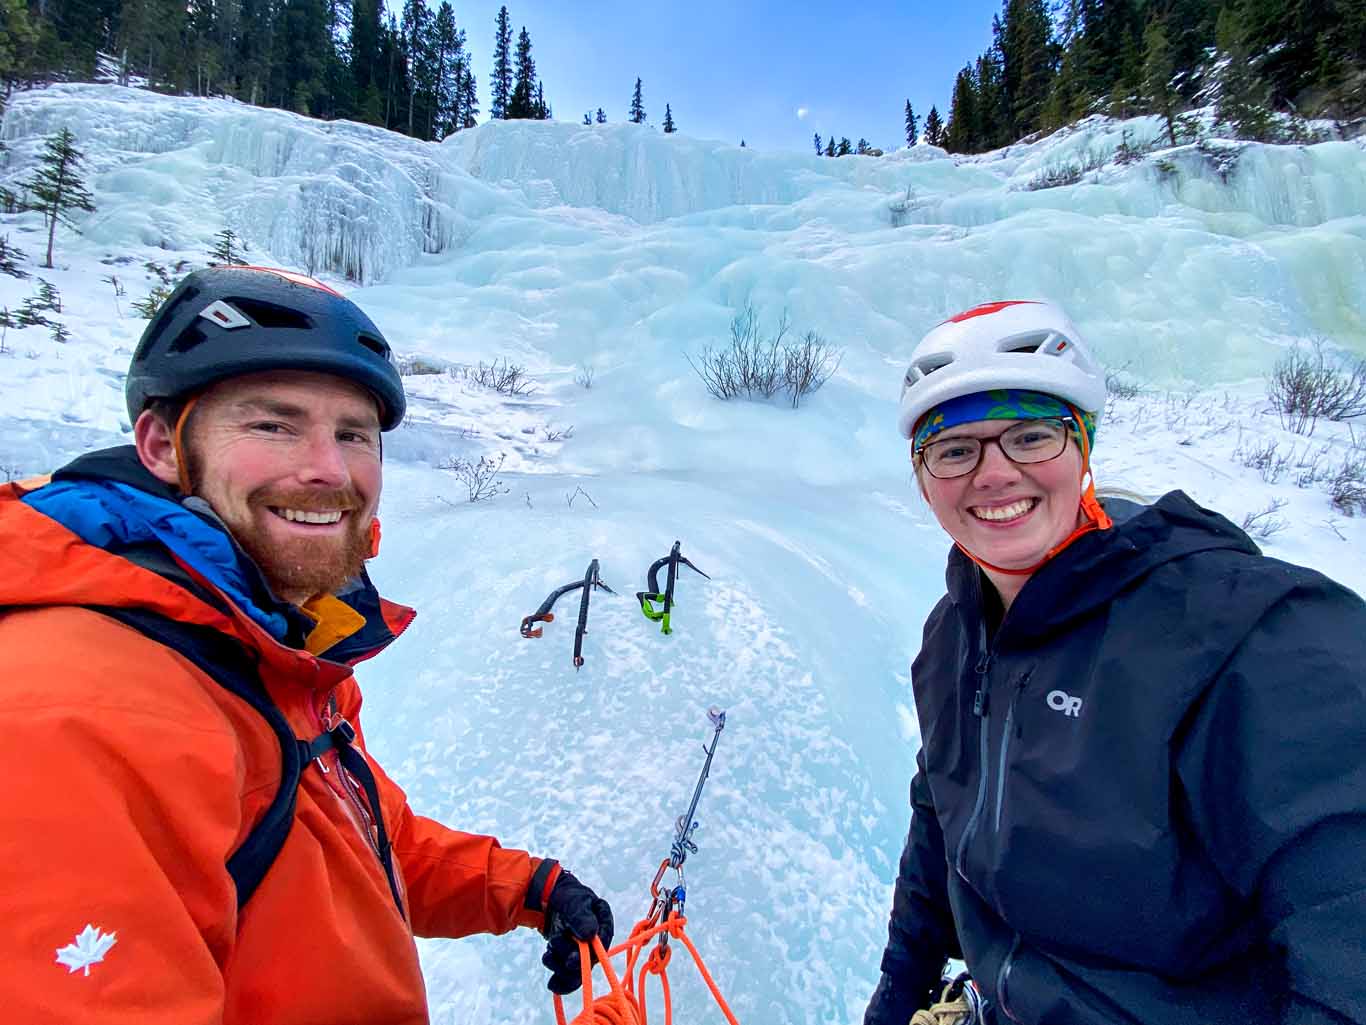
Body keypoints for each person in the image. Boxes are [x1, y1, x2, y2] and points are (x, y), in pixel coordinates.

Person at [0, 266, 613, 1022]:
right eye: (274, 424)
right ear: (162, 445)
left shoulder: (264, 641)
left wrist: (527, 887)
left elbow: (357, 843)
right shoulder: (82, 714)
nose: (327, 468)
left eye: (352, 434)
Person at [865, 300, 1366, 1025]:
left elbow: (1346, 936)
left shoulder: (1243, 637)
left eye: (1031, 436)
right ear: (923, 476)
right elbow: (940, 815)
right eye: (954, 449)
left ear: (1082, 447)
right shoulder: (957, 633)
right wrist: (896, 995)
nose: (993, 473)